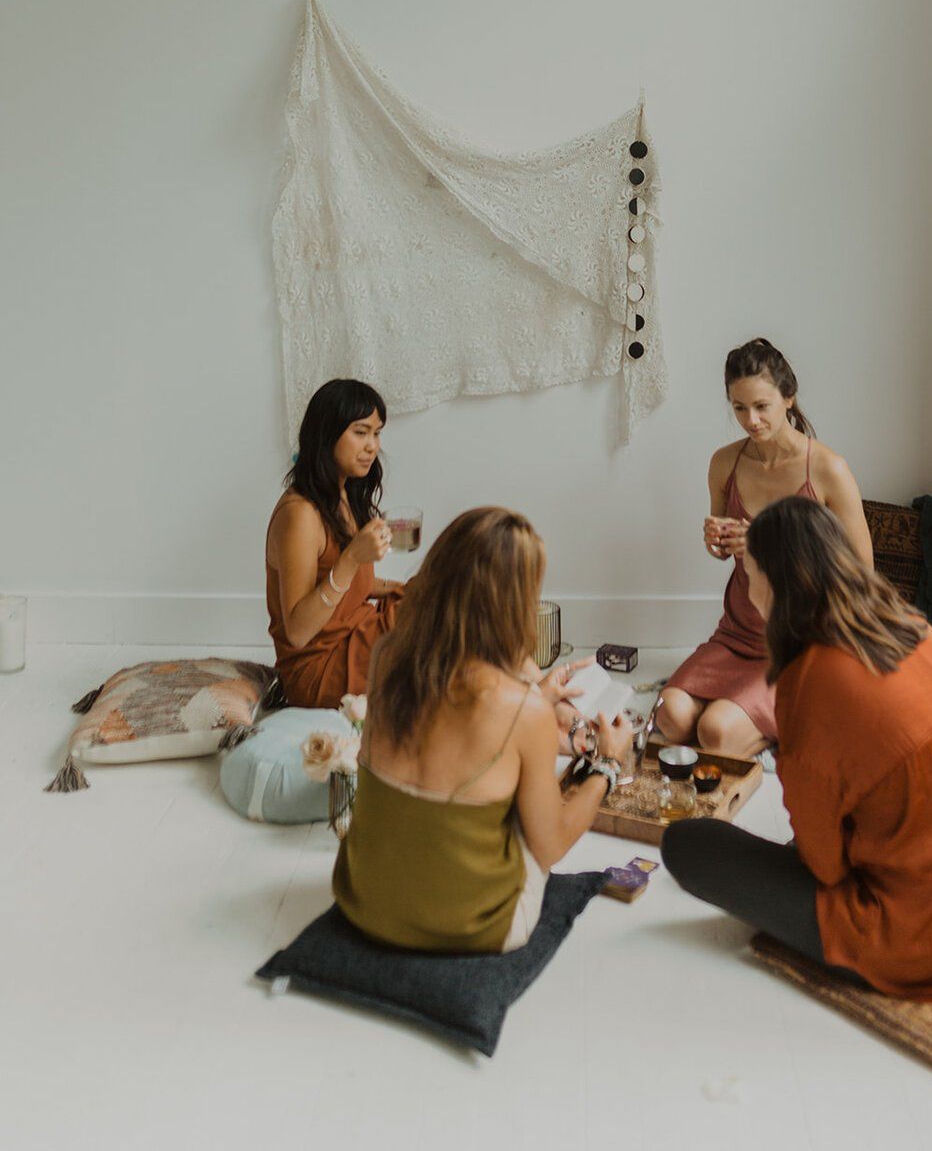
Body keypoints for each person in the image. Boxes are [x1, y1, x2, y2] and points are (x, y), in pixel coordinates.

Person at [661, 496, 932, 1007]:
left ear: (776, 582)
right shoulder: (914, 627)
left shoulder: (810, 680)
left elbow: (824, 865)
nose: (749, 592)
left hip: (913, 939)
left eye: (751, 575)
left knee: (687, 844)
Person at [333, 507, 634, 953]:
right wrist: (606, 766)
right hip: (473, 927)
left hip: (362, 901)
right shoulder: (524, 711)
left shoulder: (387, 656)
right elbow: (549, 847)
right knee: (527, 816)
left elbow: (455, 706)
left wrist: (536, 693)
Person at [657, 337, 872, 755]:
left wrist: (763, 547)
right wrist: (717, 542)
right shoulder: (726, 463)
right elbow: (723, 551)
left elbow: (862, 570)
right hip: (737, 632)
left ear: (788, 398)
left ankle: (800, 704)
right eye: (739, 408)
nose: (751, 420)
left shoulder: (828, 469)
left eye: (761, 406)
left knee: (714, 733)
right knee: (671, 716)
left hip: (799, 638)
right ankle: (748, 706)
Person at [266, 379, 406, 708]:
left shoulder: (343, 494)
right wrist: (352, 558)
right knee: (440, 626)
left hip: (356, 633)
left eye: (377, 432)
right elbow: (298, 631)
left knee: (444, 599)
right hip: (319, 668)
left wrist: (413, 588)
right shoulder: (300, 515)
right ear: (326, 435)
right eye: (360, 432)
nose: (372, 445)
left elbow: (350, 588)